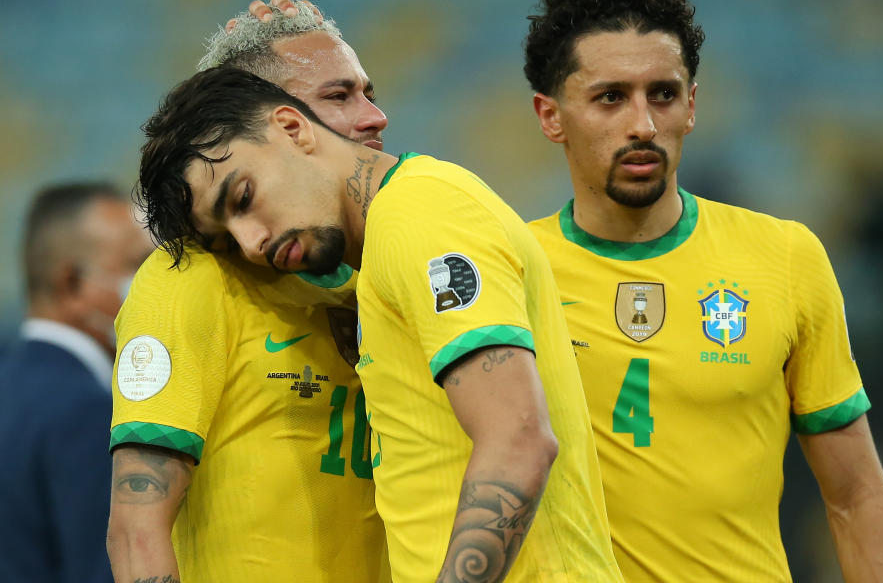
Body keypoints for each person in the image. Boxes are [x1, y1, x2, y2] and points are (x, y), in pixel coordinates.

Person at [134, 66, 625, 583]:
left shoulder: (422, 214)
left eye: (243, 198)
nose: (251, 242)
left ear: (292, 128)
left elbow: (519, 439)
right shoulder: (380, 253)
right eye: (228, 240)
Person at [523, 0, 883, 581]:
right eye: (610, 97)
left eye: (663, 93)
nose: (643, 125)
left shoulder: (784, 257)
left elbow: (856, 495)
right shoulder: (511, 268)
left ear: (692, 106)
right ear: (550, 116)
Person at [106, 0, 390, 583]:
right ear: (270, 123)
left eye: (367, 91)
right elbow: (136, 526)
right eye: (337, 98)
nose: (373, 117)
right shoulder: (189, 282)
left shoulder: (385, 268)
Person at [0, 182, 152, 583]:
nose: (155, 283)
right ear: (73, 283)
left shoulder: (11, 385)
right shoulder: (86, 411)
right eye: (138, 265)